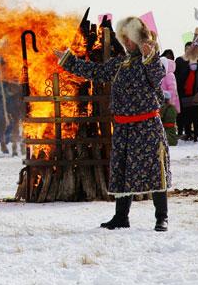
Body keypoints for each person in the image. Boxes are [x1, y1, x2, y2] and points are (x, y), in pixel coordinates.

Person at [56, 16, 171, 232]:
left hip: (146, 126)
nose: (126, 43)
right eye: (124, 38)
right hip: (123, 126)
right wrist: (68, 60)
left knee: (155, 170)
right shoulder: (119, 64)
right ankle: (121, 217)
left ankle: (161, 217)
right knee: (122, 169)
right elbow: (96, 72)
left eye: (129, 38)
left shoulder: (151, 60)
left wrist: (150, 56)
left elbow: (157, 77)